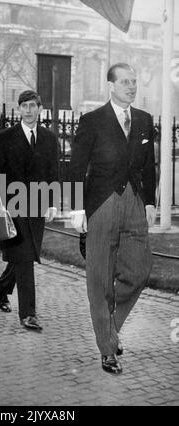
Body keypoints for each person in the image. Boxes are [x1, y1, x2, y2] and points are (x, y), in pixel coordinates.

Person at [69, 63, 156, 374]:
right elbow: (76, 167)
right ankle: (107, 349)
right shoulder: (92, 121)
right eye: (124, 82)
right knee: (100, 280)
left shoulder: (144, 120)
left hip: (134, 200)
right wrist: (78, 209)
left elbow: (149, 167)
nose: (131, 87)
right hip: (101, 202)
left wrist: (149, 202)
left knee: (140, 270)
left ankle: (111, 328)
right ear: (111, 86)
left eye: (133, 81)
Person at [0, 90, 60, 331]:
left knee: (25, 255)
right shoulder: (4, 137)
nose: (28, 110)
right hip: (13, 206)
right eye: (24, 106)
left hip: (38, 206)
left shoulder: (50, 138)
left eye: (32, 106)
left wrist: (52, 202)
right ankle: (28, 314)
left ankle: (1, 288)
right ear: (19, 109)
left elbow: (53, 172)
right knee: (26, 257)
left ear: (40, 109)